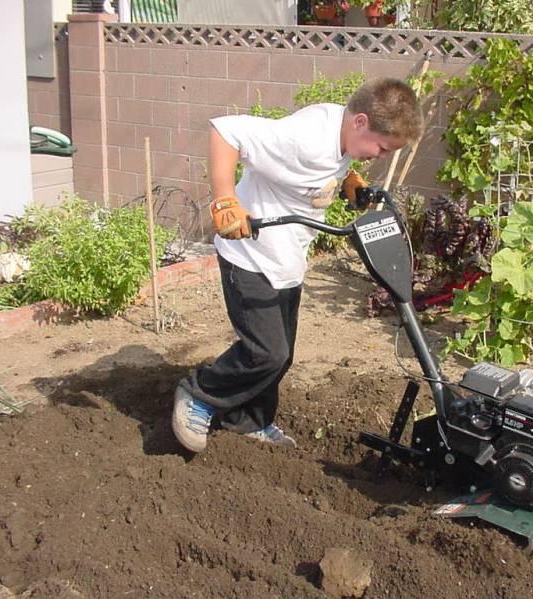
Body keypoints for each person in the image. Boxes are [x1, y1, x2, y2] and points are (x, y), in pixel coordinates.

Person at [172, 77, 423, 453]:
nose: (381, 156)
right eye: (382, 147)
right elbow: (226, 131)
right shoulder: (305, 137)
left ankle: (250, 420)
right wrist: (225, 200)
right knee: (265, 352)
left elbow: (325, 169)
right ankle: (199, 393)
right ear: (360, 123)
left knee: (281, 356)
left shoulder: (342, 137)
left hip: (286, 259)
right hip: (251, 257)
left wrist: (348, 180)